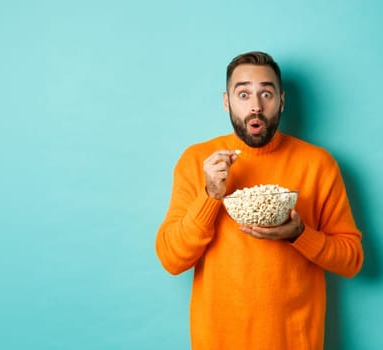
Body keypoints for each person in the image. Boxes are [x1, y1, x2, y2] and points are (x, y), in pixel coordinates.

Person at [155, 51, 364, 350]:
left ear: (281, 100)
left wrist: (299, 235)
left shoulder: (318, 164)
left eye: (266, 93)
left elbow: (351, 260)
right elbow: (171, 259)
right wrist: (211, 196)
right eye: (243, 94)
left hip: (295, 341)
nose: (255, 106)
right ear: (227, 102)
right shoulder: (197, 162)